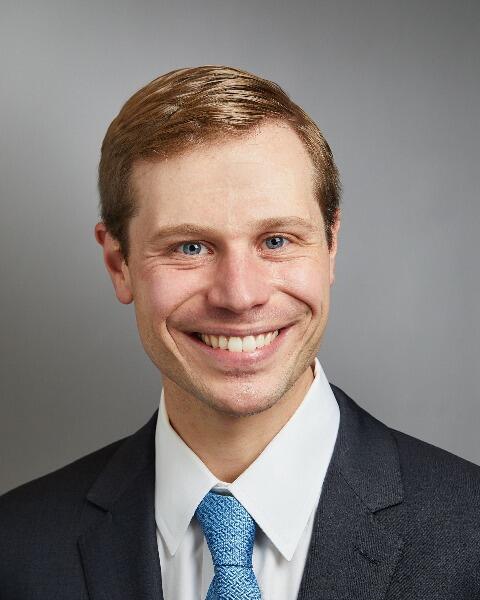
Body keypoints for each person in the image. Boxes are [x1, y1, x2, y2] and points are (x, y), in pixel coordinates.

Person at [1, 65, 479, 600]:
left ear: (331, 246)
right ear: (119, 264)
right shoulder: (14, 550)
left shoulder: (471, 533)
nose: (239, 295)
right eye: (190, 247)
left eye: (276, 241)